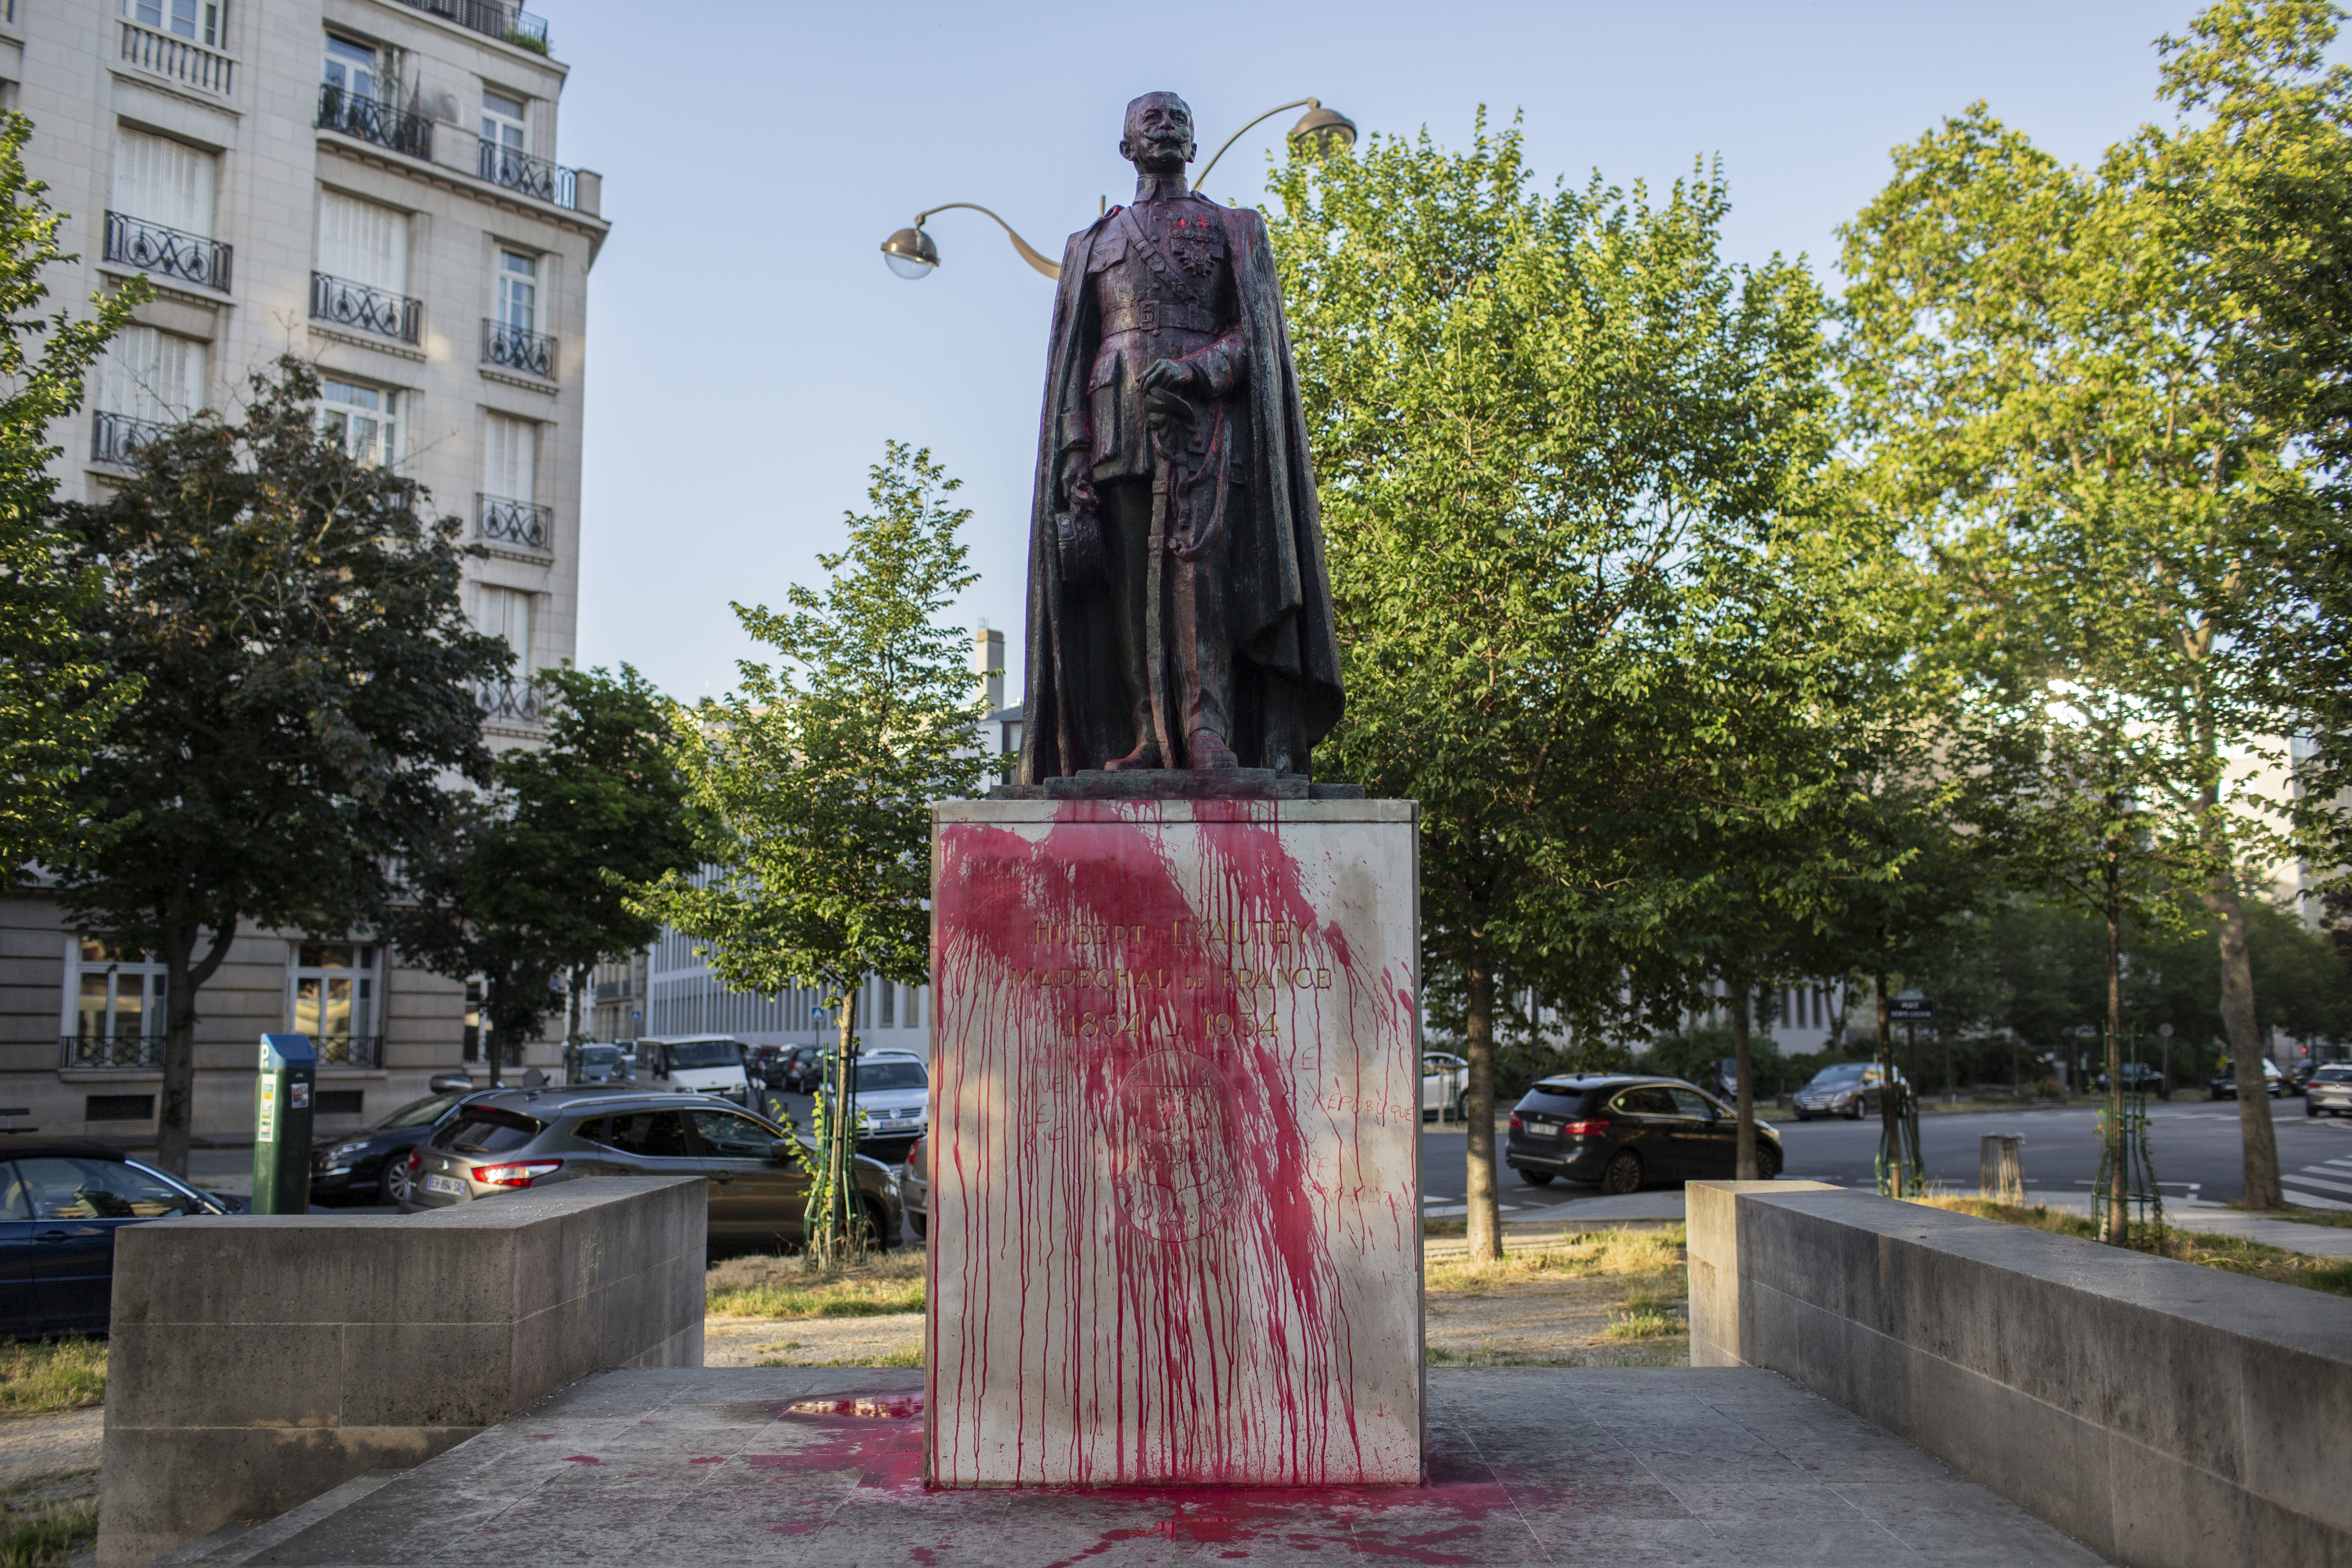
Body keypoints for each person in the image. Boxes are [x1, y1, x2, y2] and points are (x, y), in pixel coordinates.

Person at [1018, 91, 1343, 779]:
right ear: (1126, 147)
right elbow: (1073, 360)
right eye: (1152, 121)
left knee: (1201, 579)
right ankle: (1148, 734)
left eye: (1179, 122)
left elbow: (1256, 339)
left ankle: (1206, 729)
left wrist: (1198, 372)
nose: (1166, 129)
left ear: (1193, 146)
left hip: (1204, 425)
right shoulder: (1091, 243)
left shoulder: (1233, 227)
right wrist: (1074, 455)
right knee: (1131, 591)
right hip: (1115, 427)